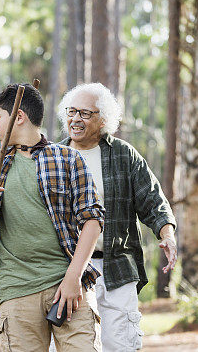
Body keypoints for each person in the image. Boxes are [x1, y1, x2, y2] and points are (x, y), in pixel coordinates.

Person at [0, 83, 105, 352]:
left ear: (19, 117)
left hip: (69, 286)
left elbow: (92, 220)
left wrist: (74, 277)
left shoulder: (68, 159)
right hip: (16, 291)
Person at [57, 83, 178, 351]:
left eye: (85, 113)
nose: (75, 119)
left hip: (116, 266)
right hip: (65, 268)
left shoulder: (123, 155)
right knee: (72, 345)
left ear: (103, 120)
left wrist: (167, 234)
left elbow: (153, 199)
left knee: (120, 343)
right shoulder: (54, 156)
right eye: (71, 111)